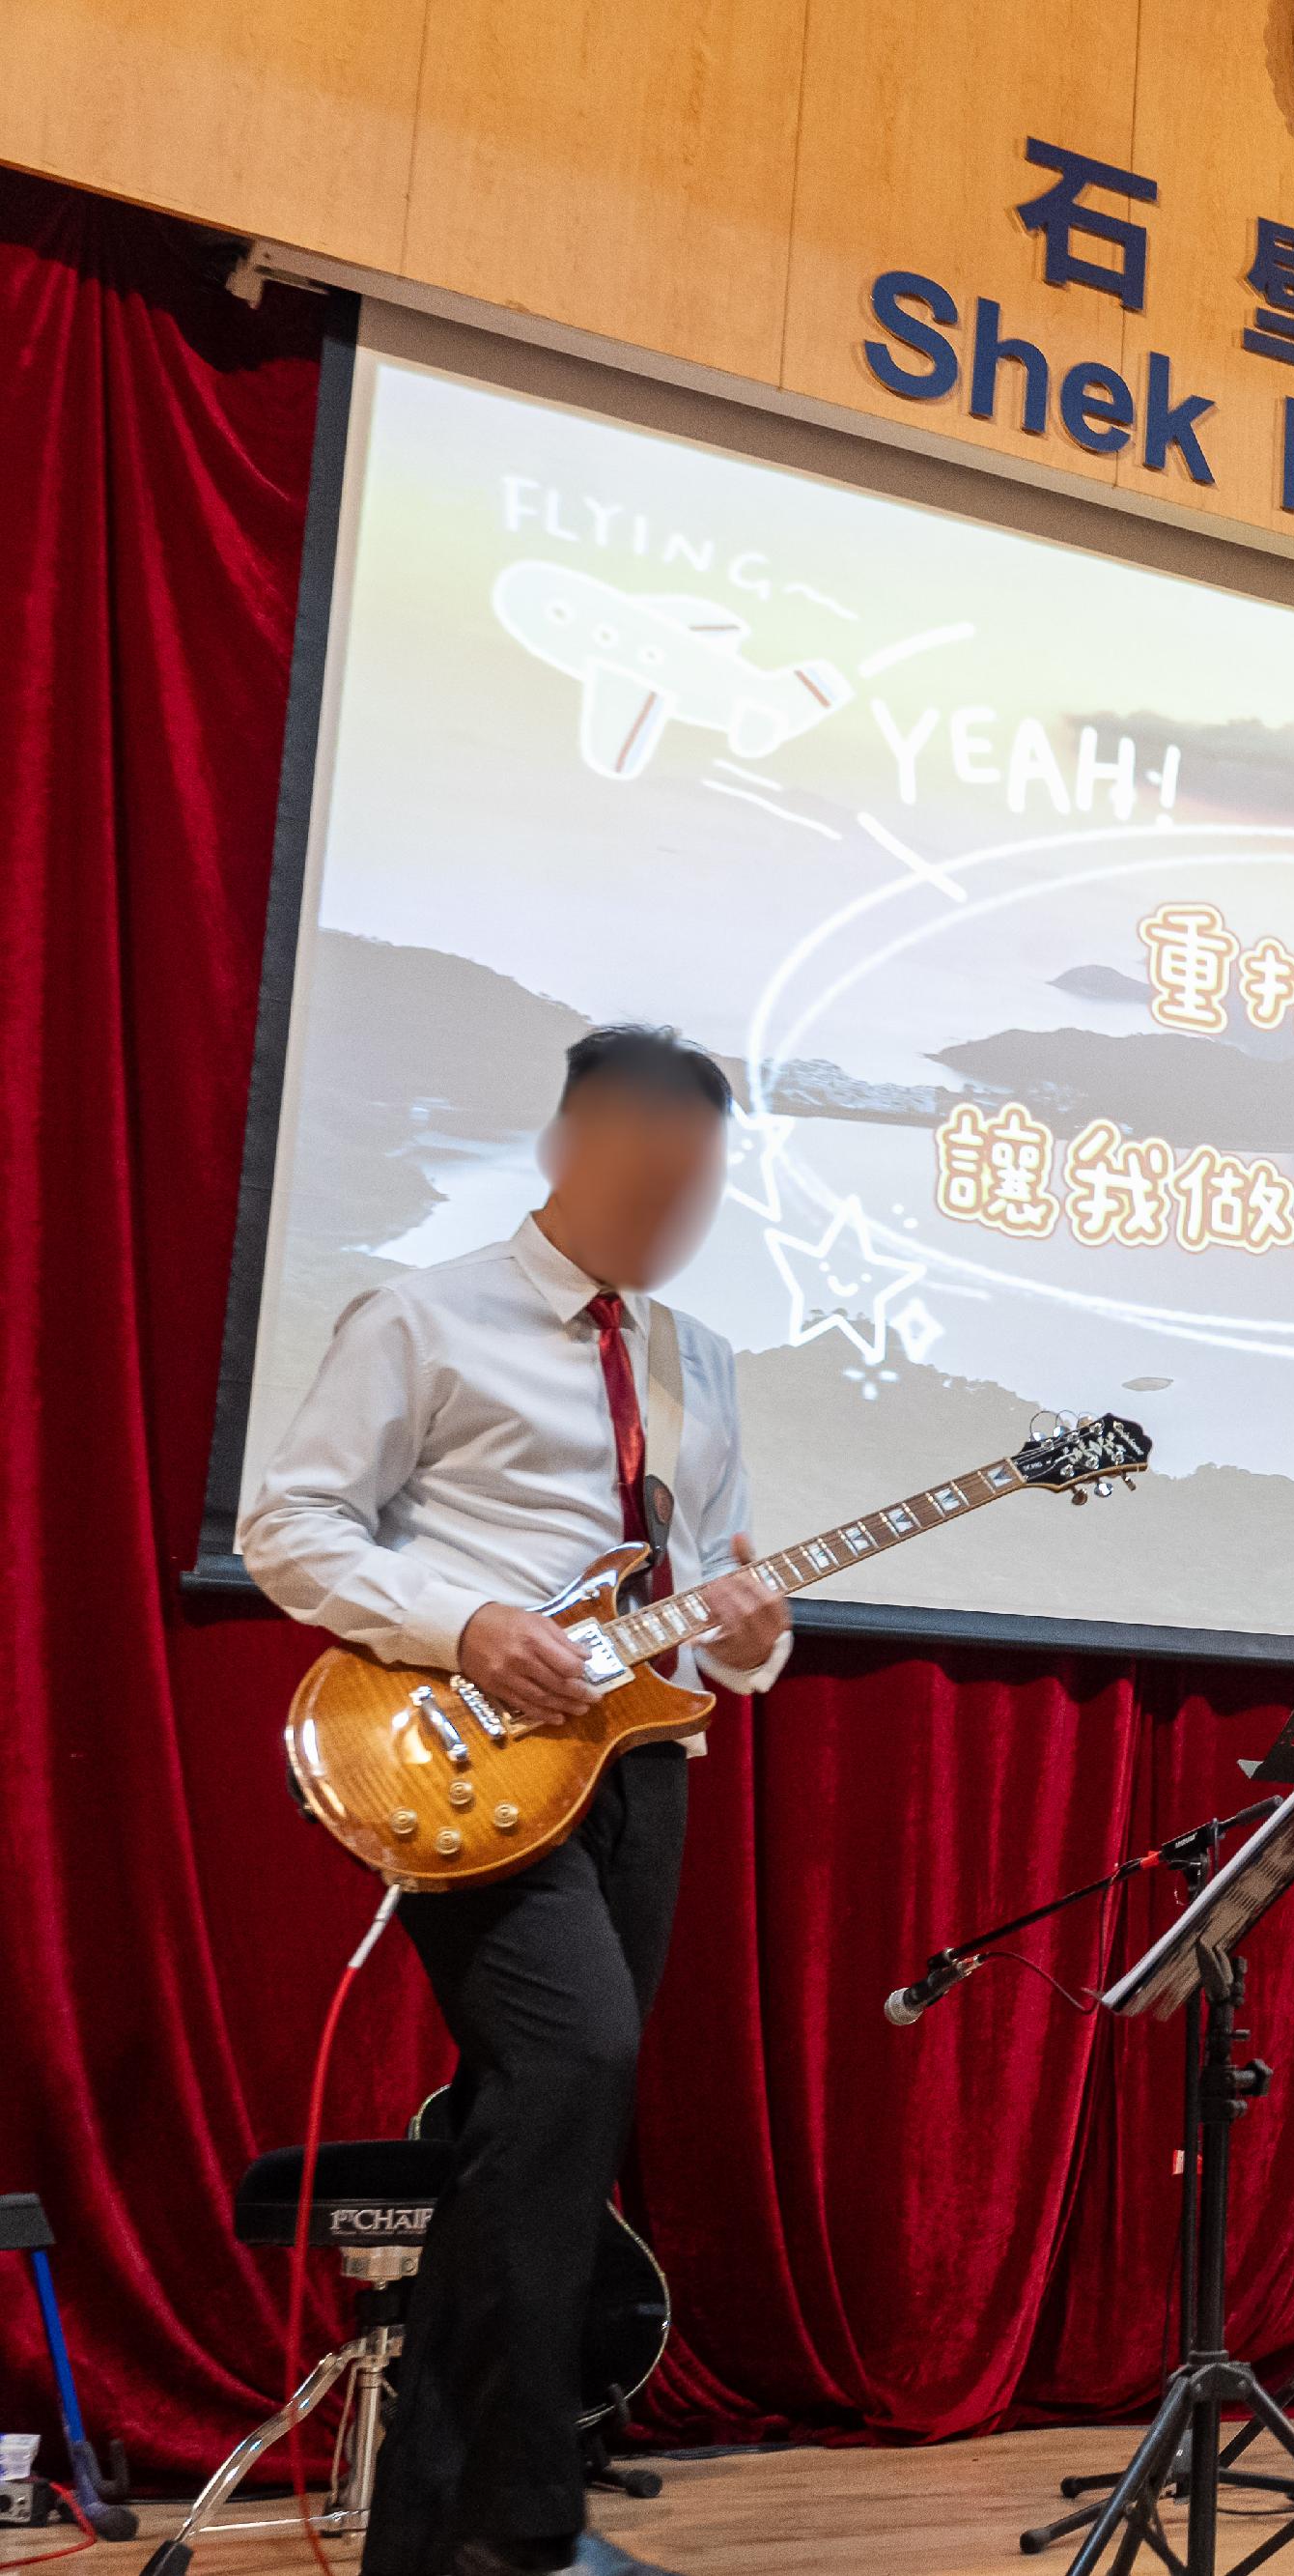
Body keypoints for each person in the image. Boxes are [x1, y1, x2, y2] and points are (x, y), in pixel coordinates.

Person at [241, 1029, 795, 2576]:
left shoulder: (702, 1358)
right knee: (571, 2067)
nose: (669, 1207)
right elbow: (288, 1521)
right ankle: (519, 2512)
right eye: (643, 1170)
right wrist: (462, 1623)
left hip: (642, 1766)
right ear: (564, 1146)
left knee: (549, 2118)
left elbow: (716, 1576)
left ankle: (443, 2528)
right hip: (468, 1756)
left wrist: (752, 1630)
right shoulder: (425, 1316)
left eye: (696, 1183)